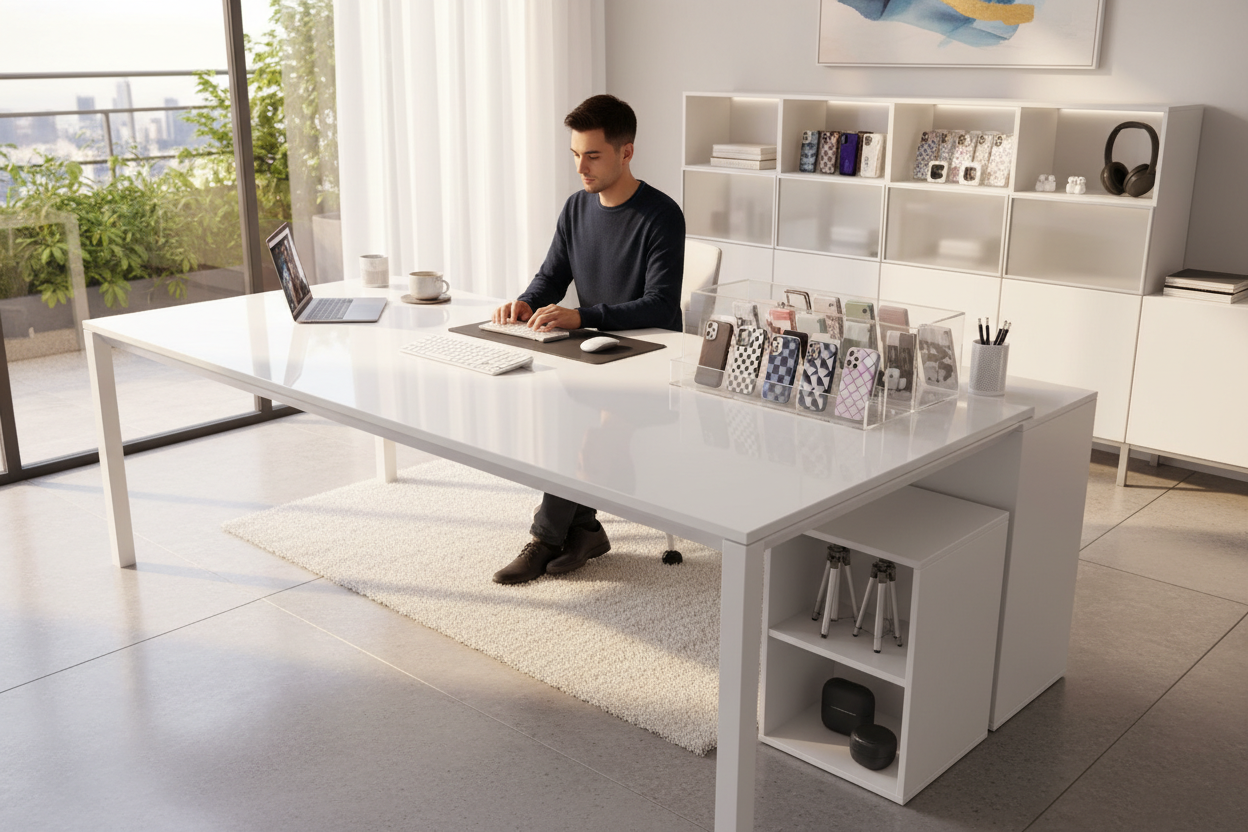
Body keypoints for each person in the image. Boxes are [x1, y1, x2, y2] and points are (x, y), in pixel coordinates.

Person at [490, 94, 685, 585]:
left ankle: (545, 539)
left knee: (580, 430)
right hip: (591, 360)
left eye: (593, 155)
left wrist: (583, 318)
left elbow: (661, 306)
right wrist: (525, 303)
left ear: (626, 152)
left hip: (650, 366)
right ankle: (586, 530)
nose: (581, 167)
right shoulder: (576, 209)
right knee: (549, 411)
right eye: (575, 154)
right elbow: (550, 277)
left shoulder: (662, 215)